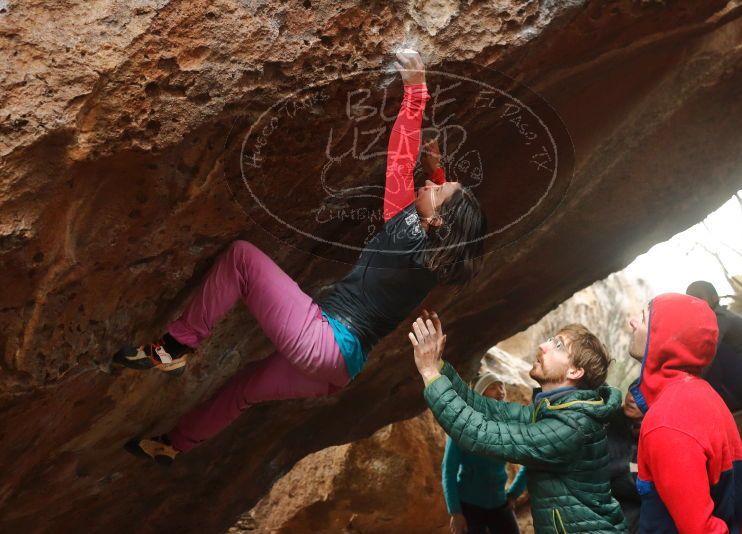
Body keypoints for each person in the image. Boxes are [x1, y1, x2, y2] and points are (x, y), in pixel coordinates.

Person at [115, 50, 488, 464]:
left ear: (435, 221)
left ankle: (175, 346)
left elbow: (400, 162)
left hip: (324, 342)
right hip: (338, 370)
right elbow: (441, 214)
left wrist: (416, 92)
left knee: (241, 258)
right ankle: (175, 445)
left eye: (436, 191)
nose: (428, 185)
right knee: (244, 388)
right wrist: (438, 174)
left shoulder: (405, 233)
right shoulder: (435, 260)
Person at [410, 311, 627, 533]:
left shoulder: (571, 427)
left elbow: (480, 433)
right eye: (551, 340)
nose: (543, 345)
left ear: (575, 371)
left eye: (558, 345)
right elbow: (489, 409)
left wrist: (429, 373)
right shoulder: (558, 412)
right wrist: (439, 367)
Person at [627, 293, 742, 533]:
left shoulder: (667, 420)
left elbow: (700, 529)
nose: (632, 323)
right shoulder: (703, 395)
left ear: (662, 338)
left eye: (642, 318)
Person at [442, 372, 527, 534]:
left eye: (501, 386)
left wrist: (514, 493)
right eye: (493, 387)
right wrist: (455, 512)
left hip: (500, 504)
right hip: (469, 506)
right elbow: (449, 472)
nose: (500, 391)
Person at [686, 280, 742, 456]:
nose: (695, 303)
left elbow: (709, 353)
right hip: (739, 376)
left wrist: (691, 383)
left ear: (714, 297)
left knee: (713, 352)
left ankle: (715, 407)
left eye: (699, 298)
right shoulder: (716, 316)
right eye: (690, 300)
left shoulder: (720, 318)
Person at [606, 389, 644, 533]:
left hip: (628, 519)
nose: (631, 399)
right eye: (631, 391)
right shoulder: (610, 420)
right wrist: (628, 466)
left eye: (641, 395)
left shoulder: (657, 437)